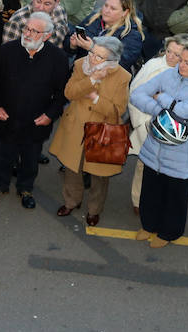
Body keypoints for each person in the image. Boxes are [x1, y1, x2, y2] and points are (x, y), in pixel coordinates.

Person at [0, 12, 69, 209]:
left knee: (31, 158)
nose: (28, 33)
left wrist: (50, 115)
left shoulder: (58, 58)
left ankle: (25, 189)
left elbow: (62, 92)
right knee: (3, 155)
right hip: (6, 118)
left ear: (47, 36)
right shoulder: (6, 51)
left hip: (36, 121)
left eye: (34, 31)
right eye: (27, 28)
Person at [48, 37, 131, 227]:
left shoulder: (123, 76)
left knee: (99, 177)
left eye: (99, 57)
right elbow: (70, 93)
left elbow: (117, 110)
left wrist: (95, 98)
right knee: (72, 168)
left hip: (104, 131)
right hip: (76, 125)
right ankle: (71, 201)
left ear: (111, 60)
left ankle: (94, 210)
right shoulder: (80, 65)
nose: (93, 59)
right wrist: (92, 79)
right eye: (92, 53)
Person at [130, 45, 188, 246]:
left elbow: (184, 111)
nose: (181, 65)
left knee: (175, 197)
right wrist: (161, 112)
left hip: (181, 156)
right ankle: (148, 225)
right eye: (182, 59)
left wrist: (161, 98)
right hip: (153, 149)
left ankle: (168, 233)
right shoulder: (167, 75)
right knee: (150, 191)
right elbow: (137, 95)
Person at [70, 0, 145, 71]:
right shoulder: (93, 19)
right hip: (80, 72)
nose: (107, 10)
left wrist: (93, 48)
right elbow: (69, 48)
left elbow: (121, 64)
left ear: (125, 12)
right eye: (106, 5)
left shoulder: (132, 35)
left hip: (104, 80)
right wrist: (72, 45)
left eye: (113, 8)